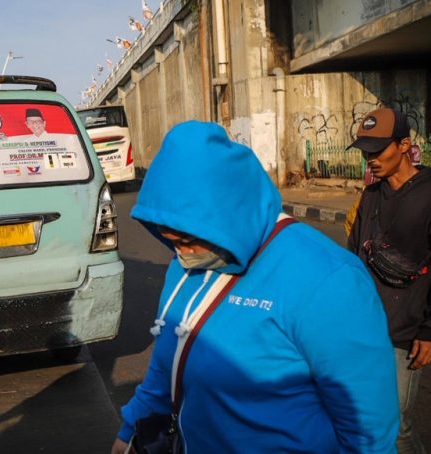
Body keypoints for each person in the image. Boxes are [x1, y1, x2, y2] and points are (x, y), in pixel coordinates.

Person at [112, 121, 398, 453]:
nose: (181, 253)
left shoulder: (327, 278)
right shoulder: (189, 264)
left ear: (226, 213)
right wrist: (129, 430)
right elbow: (166, 365)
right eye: (168, 238)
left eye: (187, 239)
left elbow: (368, 427)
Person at [347, 107, 431, 454]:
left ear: (405, 145)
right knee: (367, 420)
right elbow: (354, 258)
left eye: (378, 151)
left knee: (397, 428)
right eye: (366, 152)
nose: (371, 160)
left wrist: (428, 331)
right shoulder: (370, 196)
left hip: (405, 333)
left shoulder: (427, 194)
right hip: (366, 329)